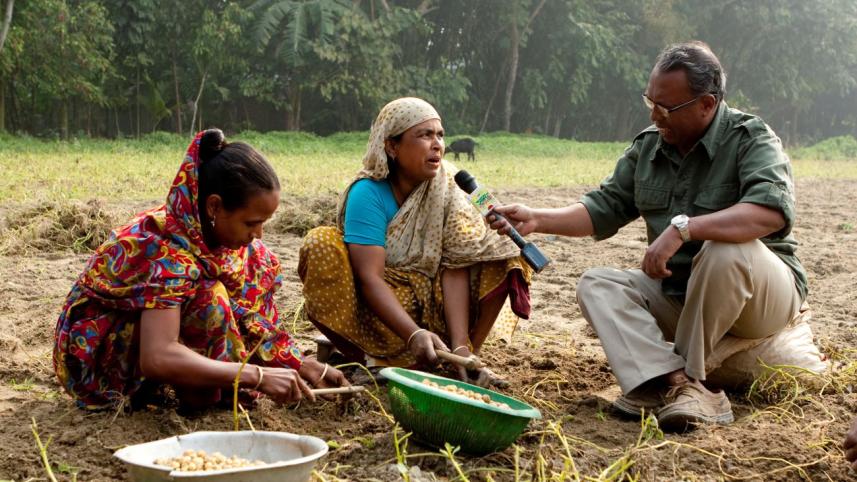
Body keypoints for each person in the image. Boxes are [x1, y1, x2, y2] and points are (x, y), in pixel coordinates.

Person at [489, 42, 807, 430]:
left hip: (759, 298)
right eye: (650, 102)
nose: (655, 115)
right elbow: (603, 207)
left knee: (723, 250)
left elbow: (768, 213)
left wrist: (683, 228)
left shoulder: (751, 139)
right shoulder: (649, 146)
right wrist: (537, 218)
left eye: (666, 107)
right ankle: (671, 383)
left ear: (707, 104)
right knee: (597, 284)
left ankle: (694, 381)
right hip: (684, 295)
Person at [54, 129, 349, 410]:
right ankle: (203, 397)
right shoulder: (162, 250)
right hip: (104, 358)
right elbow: (157, 356)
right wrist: (255, 375)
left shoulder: (234, 248)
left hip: (162, 344)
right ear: (214, 207)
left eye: (264, 222)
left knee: (243, 274)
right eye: (250, 223)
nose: (258, 234)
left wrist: (299, 363)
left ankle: (211, 386)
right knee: (210, 298)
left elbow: (252, 320)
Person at [298, 97, 531, 385]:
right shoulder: (367, 193)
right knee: (320, 243)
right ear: (392, 147)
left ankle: (461, 358)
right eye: (424, 135)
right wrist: (413, 333)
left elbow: (456, 263)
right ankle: (372, 359)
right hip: (381, 307)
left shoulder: (452, 184)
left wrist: (460, 344)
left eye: (440, 135)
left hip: (437, 302)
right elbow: (370, 278)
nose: (437, 145)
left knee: (504, 249)